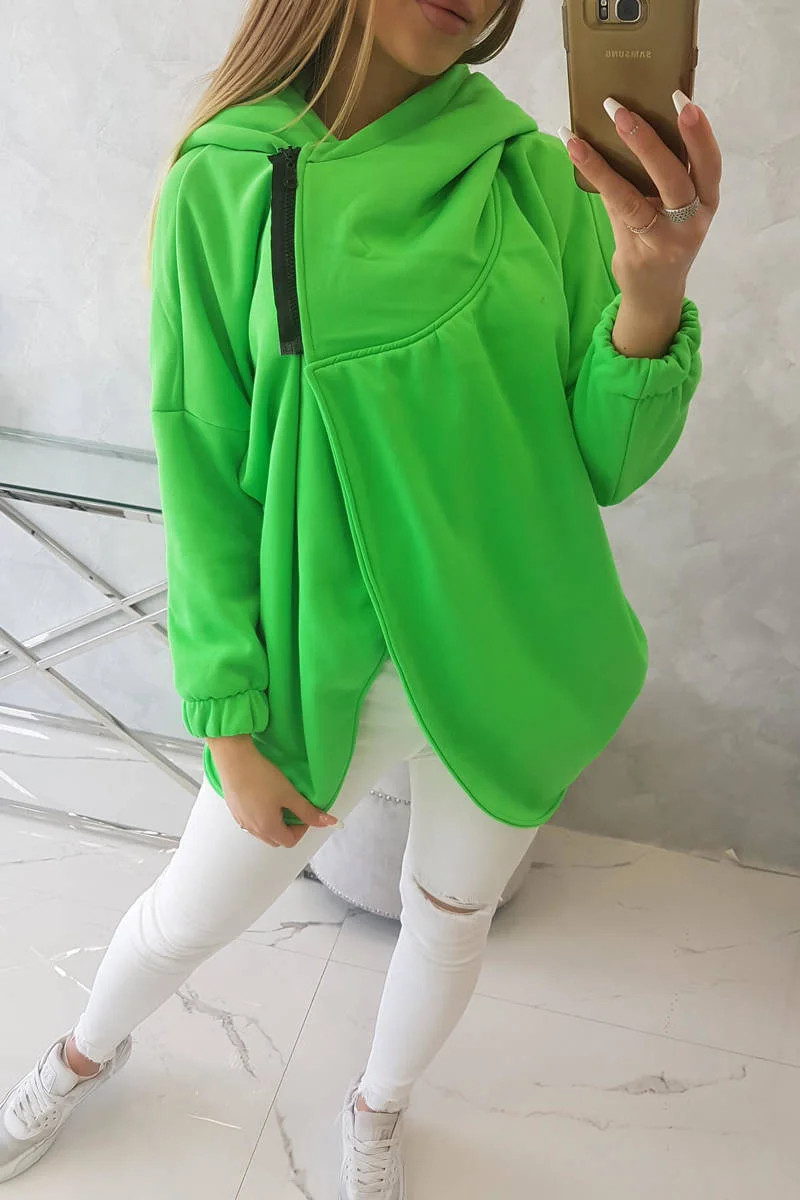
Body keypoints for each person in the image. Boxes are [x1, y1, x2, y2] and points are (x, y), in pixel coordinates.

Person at [0, 0, 721, 1195]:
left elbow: (605, 462)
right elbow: (202, 460)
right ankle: (80, 1056)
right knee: (190, 913)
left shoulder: (529, 177)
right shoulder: (229, 176)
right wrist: (226, 719)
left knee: (450, 915)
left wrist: (650, 291)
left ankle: (375, 1107)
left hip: (512, 649)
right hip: (316, 661)